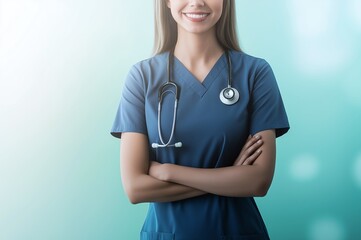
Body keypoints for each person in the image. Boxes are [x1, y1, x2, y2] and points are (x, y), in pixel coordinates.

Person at [110, 0, 290, 239]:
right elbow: (135, 188)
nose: (196, 2)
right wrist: (230, 176)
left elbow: (258, 181)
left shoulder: (255, 73)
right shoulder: (142, 77)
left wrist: (168, 171)